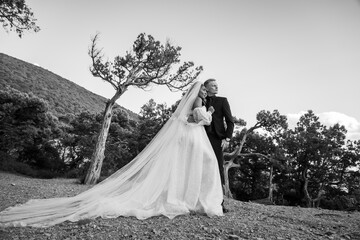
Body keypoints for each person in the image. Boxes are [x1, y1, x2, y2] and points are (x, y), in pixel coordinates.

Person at [0, 81, 224, 227]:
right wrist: (210, 113)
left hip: (192, 136)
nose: (205, 91)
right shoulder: (198, 101)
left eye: (207, 89)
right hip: (193, 134)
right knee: (203, 163)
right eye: (204, 88)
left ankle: (190, 197)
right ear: (197, 90)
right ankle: (193, 198)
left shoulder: (200, 100)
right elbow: (196, 119)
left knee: (194, 165)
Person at [203, 79, 234, 212]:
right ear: (206, 88)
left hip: (217, 139)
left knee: (218, 169)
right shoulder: (199, 100)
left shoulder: (222, 100)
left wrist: (227, 138)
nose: (216, 87)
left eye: (217, 86)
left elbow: (230, 121)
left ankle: (219, 204)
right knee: (200, 168)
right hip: (200, 137)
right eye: (213, 86)